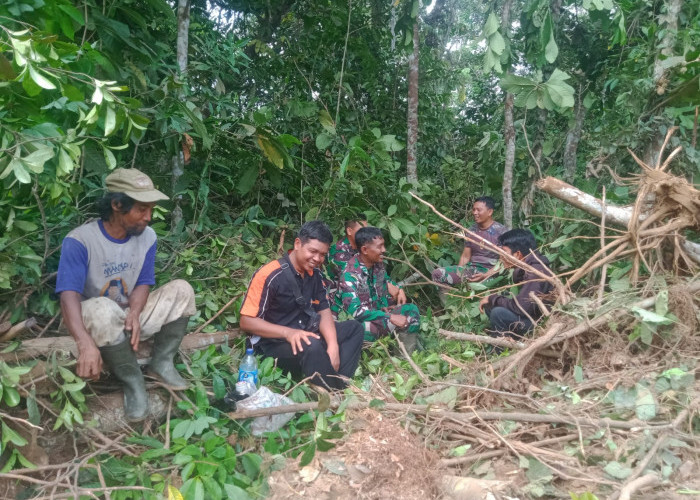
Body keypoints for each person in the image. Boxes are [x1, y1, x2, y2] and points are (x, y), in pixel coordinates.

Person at [56, 168, 196, 422]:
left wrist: (134, 312)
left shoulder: (148, 237)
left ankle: (161, 364)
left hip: (127, 316)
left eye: (151, 209)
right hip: (95, 318)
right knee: (102, 308)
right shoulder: (80, 240)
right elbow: (68, 296)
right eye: (141, 210)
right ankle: (133, 381)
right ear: (117, 205)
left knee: (182, 289)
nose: (148, 217)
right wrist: (84, 343)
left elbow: (144, 281)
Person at [239, 220, 363, 390]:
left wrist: (333, 345)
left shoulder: (315, 274)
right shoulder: (270, 275)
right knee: (312, 345)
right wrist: (288, 333)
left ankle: (339, 379)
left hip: (305, 332)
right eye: (313, 251)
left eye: (322, 254)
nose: (317, 259)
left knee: (354, 328)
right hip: (274, 345)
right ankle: (333, 391)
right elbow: (246, 321)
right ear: (297, 244)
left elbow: (323, 309)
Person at [334, 227, 421, 352]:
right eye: (379, 247)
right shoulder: (349, 275)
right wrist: (389, 316)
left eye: (383, 246)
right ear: (364, 250)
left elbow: (386, 280)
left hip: (380, 316)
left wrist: (399, 289)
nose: (384, 250)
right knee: (364, 329)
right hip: (359, 323)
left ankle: (405, 357)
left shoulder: (377, 265)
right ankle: (365, 358)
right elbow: (356, 312)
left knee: (411, 311)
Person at [479, 229, 555, 340]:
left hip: (541, 325)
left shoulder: (535, 272)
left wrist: (493, 298)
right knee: (491, 306)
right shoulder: (529, 266)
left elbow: (521, 308)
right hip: (532, 316)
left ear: (518, 254)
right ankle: (509, 340)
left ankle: (498, 351)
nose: (501, 257)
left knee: (498, 313)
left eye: (504, 253)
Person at [432, 196, 506, 286]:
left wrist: (485, 275)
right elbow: (465, 256)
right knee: (437, 274)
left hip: (490, 273)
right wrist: (459, 273)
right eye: (474, 210)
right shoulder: (472, 230)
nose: (475, 213)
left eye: (479, 210)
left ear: (490, 212)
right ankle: (450, 299)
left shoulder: (502, 232)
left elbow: (504, 261)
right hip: (471, 270)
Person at [328, 214, 368, 282]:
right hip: (340, 289)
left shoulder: (362, 247)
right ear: (349, 231)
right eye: (362, 231)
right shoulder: (338, 250)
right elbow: (352, 275)